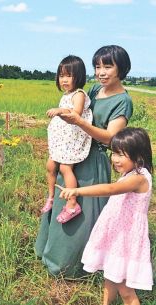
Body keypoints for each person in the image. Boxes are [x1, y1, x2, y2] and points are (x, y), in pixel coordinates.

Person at [35, 45, 133, 277]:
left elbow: (110, 138)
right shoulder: (95, 90)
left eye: (108, 66)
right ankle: (51, 255)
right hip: (72, 153)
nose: (101, 72)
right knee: (62, 202)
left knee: (83, 217)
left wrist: (78, 123)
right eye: (97, 66)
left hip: (92, 160)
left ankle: (74, 267)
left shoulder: (123, 101)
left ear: (122, 69)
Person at [57, 127, 153, 305]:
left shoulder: (139, 178)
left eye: (121, 154)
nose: (115, 159)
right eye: (114, 153)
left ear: (138, 155)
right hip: (117, 234)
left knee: (125, 291)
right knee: (109, 277)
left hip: (125, 238)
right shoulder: (130, 173)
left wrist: (76, 190)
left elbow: (110, 189)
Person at [42, 55, 93, 224]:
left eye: (68, 75)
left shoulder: (79, 94)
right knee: (50, 165)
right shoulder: (66, 94)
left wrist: (60, 110)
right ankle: (50, 196)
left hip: (72, 140)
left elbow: (76, 113)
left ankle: (72, 203)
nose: (64, 80)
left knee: (65, 168)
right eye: (61, 75)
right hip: (62, 140)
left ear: (78, 76)